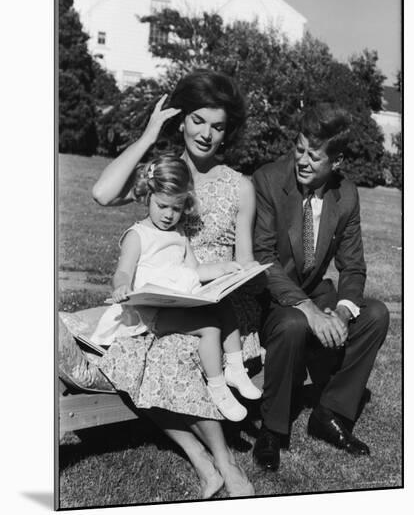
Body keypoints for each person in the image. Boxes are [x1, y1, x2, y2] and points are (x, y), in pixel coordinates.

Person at [62, 69, 261, 498]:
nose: (206, 134)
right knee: (134, 352)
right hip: (161, 302)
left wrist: (225, 279)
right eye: (197, 120)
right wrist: (151, 133)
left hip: (216, 307)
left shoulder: (239, 187)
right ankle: (203, 457)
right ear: (182, 119)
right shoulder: (164, 177)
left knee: (165, 351)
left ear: (228, 133)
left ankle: (223, 463)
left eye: (218, 126)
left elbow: (244, 264)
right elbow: (101, 192)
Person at [251, 102, 390, 472]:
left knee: (375, 314)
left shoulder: (346, 195)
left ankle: (329, 414)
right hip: (269, 296)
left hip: (315, 291)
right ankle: (272, 429)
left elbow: (353, 266)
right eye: (299, 149)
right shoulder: (267, 180)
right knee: (295, 323)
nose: (302, 160)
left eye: (314, 155)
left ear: (338, 161)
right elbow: (263, 260)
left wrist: (343, 312)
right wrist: (308, 310)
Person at [91, 154, 261, 421]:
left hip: (176, 300)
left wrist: (223, 270)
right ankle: (218, 389)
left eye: (177, 208)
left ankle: (236, 368)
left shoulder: (179, 233)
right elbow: (123, 270)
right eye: (163, 206)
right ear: (148, 196)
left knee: (224, 304)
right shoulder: (138, 235)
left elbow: (195, 269)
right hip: (150, 311)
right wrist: (122, 286)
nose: (169, 215)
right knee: (209, 327)